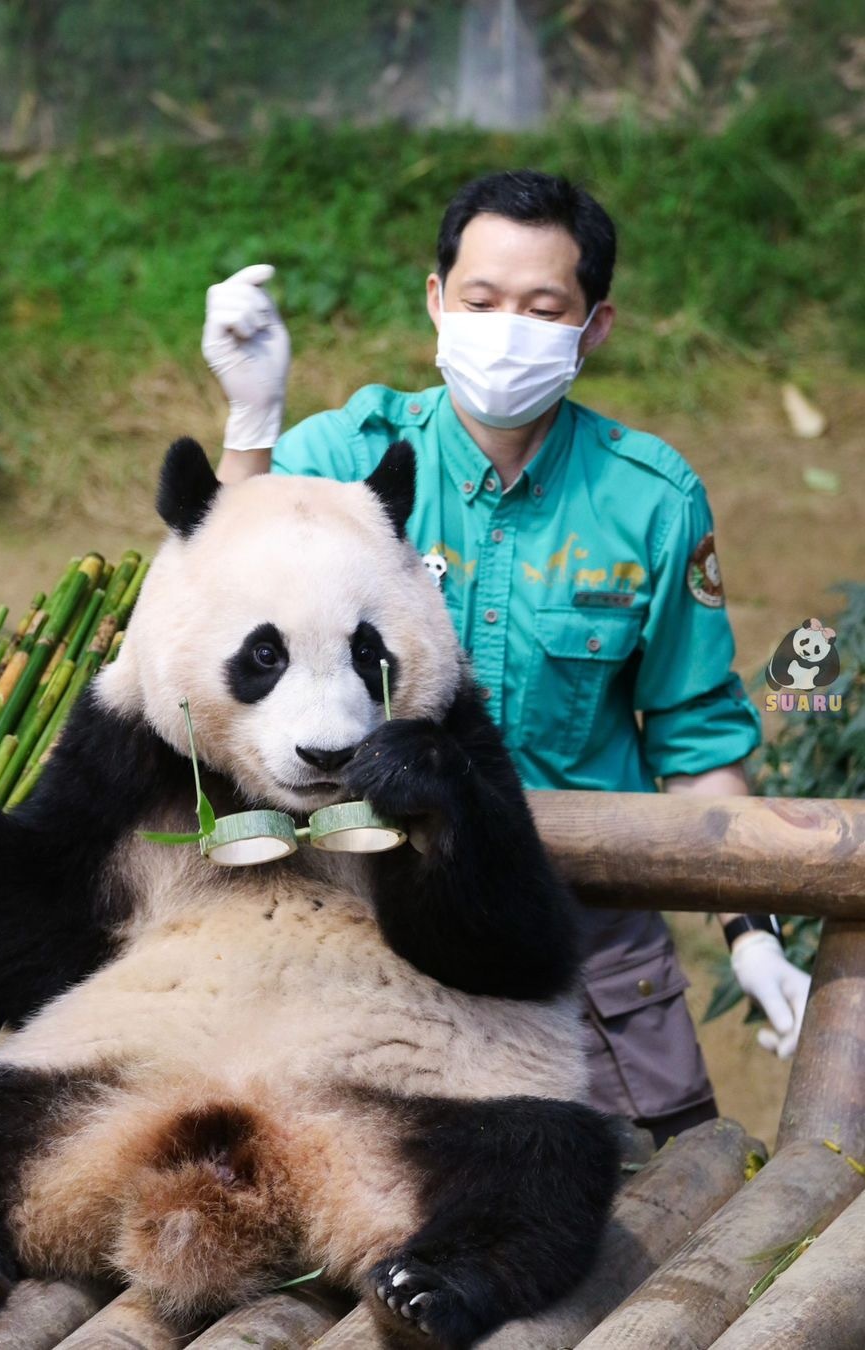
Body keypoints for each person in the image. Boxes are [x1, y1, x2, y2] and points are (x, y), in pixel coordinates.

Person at [200, 169, 810, 1145]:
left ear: (593, 325)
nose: (506, 326)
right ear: (437, 302)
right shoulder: (349, 455)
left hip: (589, 942)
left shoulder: (652, 499)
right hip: (371, 929)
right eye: (481, 300)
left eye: (541, 307)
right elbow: (211, 588)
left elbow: (694, 733)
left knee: (669, 1200)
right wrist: (250, 426)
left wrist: (753, 932)